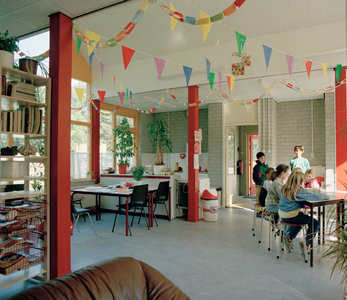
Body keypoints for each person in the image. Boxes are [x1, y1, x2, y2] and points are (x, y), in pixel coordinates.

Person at [278, 170, 329, 259]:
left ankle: (289, 238)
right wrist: (326, 196)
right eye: (303, 181)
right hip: (292, 216)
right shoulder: (299, 192)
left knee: (301, 221)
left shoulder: (284, 188)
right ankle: (306, 243)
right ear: (299, 182)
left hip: (283, 216)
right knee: (315, 222)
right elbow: (316, 197)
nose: (304, 182)